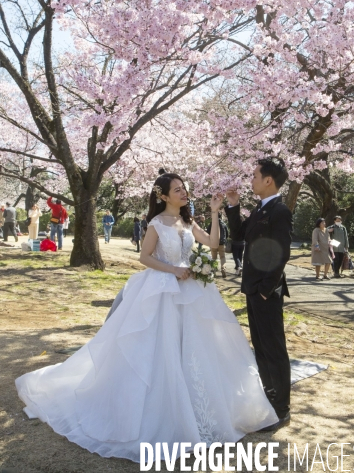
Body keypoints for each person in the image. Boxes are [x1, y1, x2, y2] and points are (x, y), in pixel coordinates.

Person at [15, 172, 278, 462]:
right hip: (164, 288)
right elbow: (145, 257)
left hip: (191, 290)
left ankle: (196, 407)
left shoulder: (189, 221)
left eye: (184, 189)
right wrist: (174, 270)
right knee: (160, 347)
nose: (183, 193)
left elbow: (214, 244)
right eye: (177, 190)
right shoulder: (155, 223)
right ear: (163, 196)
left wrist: (215, 214)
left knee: (193, 347)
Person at [225, 157, 292, 433]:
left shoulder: (280, 211)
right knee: (261, 348)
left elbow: (282, 253)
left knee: (274, 349)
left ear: (268, 180)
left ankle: (281, 409)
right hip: (254, 289)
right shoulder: (260, 208)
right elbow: (239, 235)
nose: (250, 180)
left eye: (254, 176)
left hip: (266, 291)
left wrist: (265, 290)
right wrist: (232, 205)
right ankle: (269, 399)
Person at [207, 212, 228, 278]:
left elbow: (207, 232)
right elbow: (227, 233)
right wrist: (224, 239)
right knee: (222, 257)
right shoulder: (223, 224)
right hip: (221, 243)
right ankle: (223, 268)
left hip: (213, 243)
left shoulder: (212, 223)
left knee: (214, 257)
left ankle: (214, 271)